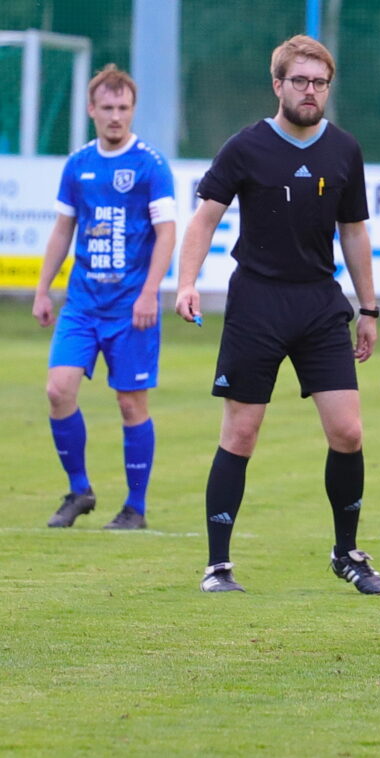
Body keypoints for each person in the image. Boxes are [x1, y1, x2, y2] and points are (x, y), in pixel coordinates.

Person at [174, 35, 380, 595]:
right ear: (278, 85)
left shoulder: (344, 149)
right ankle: (218, 566)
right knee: (241, 433)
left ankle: (347, 554)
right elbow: (204, 220)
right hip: (257, 303)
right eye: (300, 81)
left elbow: (354, 232)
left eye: (320, 82)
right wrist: (188, 282)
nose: (310, 91)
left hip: (320, 304)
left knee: (348, 431)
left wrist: (368, 308)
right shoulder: (245, 147)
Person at [33, 64, 176, 530]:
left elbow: (167, 232)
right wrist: (42, 289)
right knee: (58, 390)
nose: (116, 116)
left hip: (132, 307)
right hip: (82, 304)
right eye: (108, 108)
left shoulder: (150, 165)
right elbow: (62, 230)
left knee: (131, 405)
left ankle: (135, 507)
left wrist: (150, 293)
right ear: (91, 110)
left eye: (124, 108)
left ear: (133, 110)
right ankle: (80, 490)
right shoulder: (78, 165)